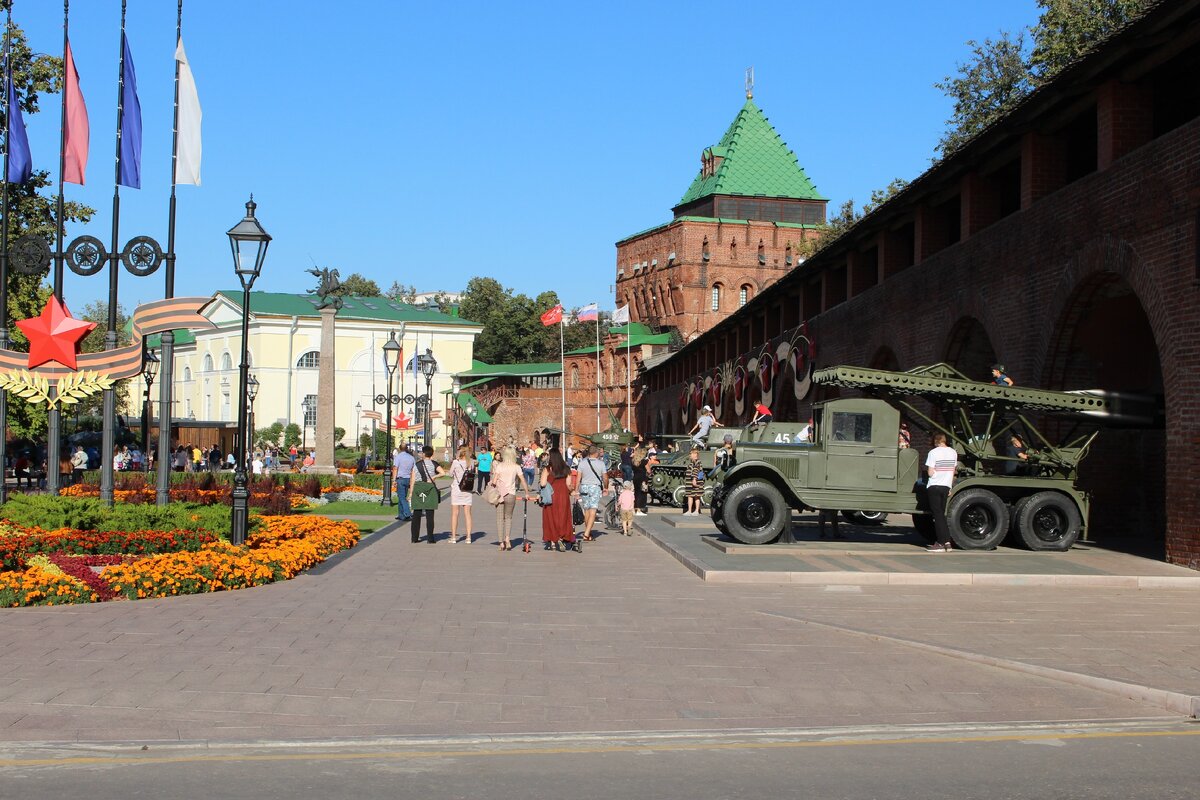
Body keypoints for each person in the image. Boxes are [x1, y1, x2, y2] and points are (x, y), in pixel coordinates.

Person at [488, 446, 532, 551]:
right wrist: (526, 492)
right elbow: (523, 480)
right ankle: (507, 539)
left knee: (499, 519)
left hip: (500, 495)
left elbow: (494, 482)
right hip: (511, 494)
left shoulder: (499, 466)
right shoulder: (516, 467)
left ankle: (501, 542)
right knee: (508, 517)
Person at [924, 432, 958, 553]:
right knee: (941, 515)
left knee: (937, 515)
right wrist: (949, 486)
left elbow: (930, 472)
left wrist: (933, 474)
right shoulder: (953, 452)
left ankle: (940, 543)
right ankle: (947, 543)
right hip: (945, 486)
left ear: (936, 441)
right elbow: (953, 471)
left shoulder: (933, 452)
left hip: (934, 486)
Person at [407, 445, 445, 544]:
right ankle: (430, 538)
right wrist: (434, 477)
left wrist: (410, 493)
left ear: (424, 454)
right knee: (430, 514)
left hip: (418, 488)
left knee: (417, 514)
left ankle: (414, 538)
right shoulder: (434, 463)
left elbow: (413, 479)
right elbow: (443, 473)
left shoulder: (417, 465)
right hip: (430, 488)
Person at [540, 448, 576, 552]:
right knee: (563, 518)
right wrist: (572, 490)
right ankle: (561, 537)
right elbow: (568, 485)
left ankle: (552, 542)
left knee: (551, 518)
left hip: (551, 497)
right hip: (563, 497)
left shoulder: (548, 469)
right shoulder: (566, 468)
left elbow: (542, 483)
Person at [575, 445, 609, 542]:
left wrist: (576, 490)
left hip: (584, 486)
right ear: (596, 453)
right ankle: (586, 534)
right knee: (593, 510)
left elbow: (578, 478)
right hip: (595, 487)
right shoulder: (601, 463)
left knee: (586, 510)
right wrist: (606, 487)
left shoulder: (582, 463)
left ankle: (588, 532)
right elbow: (605, 477)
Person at [449, 446, 475, 543]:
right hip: (467, 489)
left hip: (457, 488)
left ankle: (454, 537)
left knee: (455, 513)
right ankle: (468, 537)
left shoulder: (456, 462)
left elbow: (450, 474)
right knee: (468, 514)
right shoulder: (471, 462)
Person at [394, 444, 416, 522]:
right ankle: (401, 515)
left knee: (402, 497)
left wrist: (394, 480)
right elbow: (414, 470)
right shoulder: (411, 458)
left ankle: (407, 513)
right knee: (401, 496)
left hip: (400, 478)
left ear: (400, 449)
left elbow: (395, 468)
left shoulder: (398, 457)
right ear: (406, 448)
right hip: (407, 479)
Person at [683, 445, 704, 516]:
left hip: (695, 482)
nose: (690, 455)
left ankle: (696, 510)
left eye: (691, 454)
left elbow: (696, 471)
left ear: (695, 454)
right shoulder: (692, 463)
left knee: (696, 496)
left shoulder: (697, 462)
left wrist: (694, 479)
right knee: (690, 496)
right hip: (690, 482)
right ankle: (690, 510)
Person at [631, 448, 650, 515]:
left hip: (635, 478)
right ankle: (639, 510)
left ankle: (634, 509)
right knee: (642, 494)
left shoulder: (633, 461)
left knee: (636, 493)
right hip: (643, 479)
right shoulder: (644, 461)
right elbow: (648, 471)